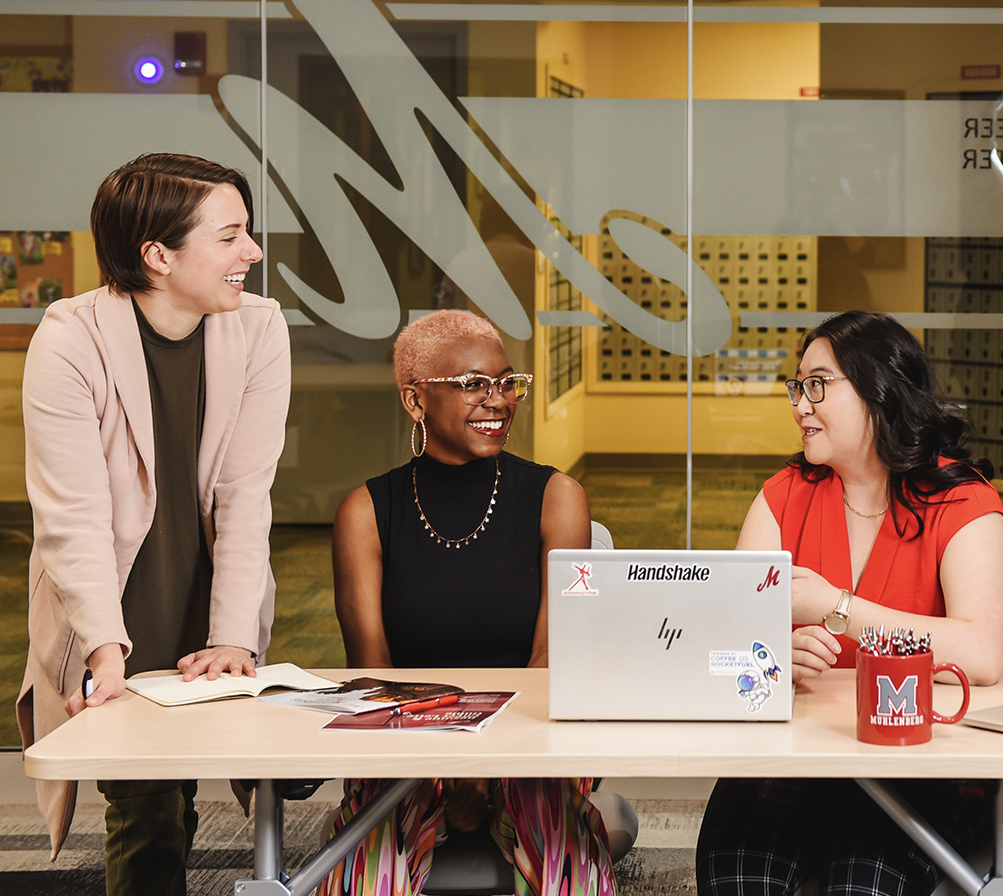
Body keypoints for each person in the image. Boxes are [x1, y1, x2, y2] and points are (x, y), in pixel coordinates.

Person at [17, 153, 290, 894]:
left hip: (213, 601)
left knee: (220, 784)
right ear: (158, 254)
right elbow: (72, 517)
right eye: (231, 237)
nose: (253, 253)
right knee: (147, 810)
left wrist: (233, 632)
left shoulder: (259, 329)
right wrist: (105, 649)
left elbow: (245, 494)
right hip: (111, 609)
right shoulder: (70, 339)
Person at [695, 310, 1003, 896]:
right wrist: (771, 653)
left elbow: (981, 654)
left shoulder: (964, 501)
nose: (799, 404)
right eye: (797, 387)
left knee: (862, 881)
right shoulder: (781, 497)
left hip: (925, 756)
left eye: (817, 384)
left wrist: (835, 606)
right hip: (798, 749)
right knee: (737, 868)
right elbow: (724, 644)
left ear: (880, 391)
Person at [323, 309, 615, 896]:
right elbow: (375, 679)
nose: (498, 400)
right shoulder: (365, 514)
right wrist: (446, 765)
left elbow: (550, 661)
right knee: (365, 873)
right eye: (473, 384)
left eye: (508, 382)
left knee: (567, 863)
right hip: (407, 744)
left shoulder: (557, 498)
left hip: (531, 737)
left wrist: (490, 762)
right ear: (415, 400)